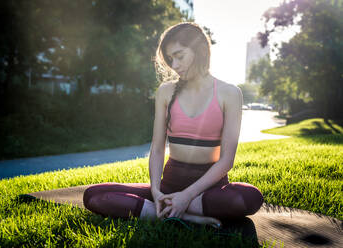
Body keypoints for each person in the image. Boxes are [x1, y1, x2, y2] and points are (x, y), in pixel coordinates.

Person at [83, 22, 264, 228]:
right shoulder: (165, 91)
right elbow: (158, 148)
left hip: (209, 191)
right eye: (171, 59)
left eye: (180, 56)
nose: (175, 65)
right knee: (93, 195)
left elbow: (226, 160)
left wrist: (186, 196)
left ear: (200, 50)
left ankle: (171, 209)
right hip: (169, 185)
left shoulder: (230, 93)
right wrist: (157, 192)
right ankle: (181, 214)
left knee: (249, 198)